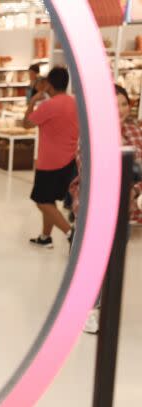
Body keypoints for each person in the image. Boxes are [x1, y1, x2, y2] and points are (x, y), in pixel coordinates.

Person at [69, 84, 142, 333]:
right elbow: (89, 170)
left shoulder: (135, 131)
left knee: (113, 260)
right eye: (114, 104)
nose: (120, 110)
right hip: (93, 206)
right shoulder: (92, 134)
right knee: (89, 259)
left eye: (123, 104)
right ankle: (87, 309)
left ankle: (100, 307)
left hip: (125, 208)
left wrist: (133, 189)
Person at [24, 66, 79, 249]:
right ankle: (45, 237)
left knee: (41, 201)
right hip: (70, 160)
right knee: (50, 200)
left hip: (50, 162)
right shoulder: (74, 103)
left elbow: (26, 124)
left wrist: (33, 100)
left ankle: (71, 233)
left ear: (49, 85)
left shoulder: (49, 106)